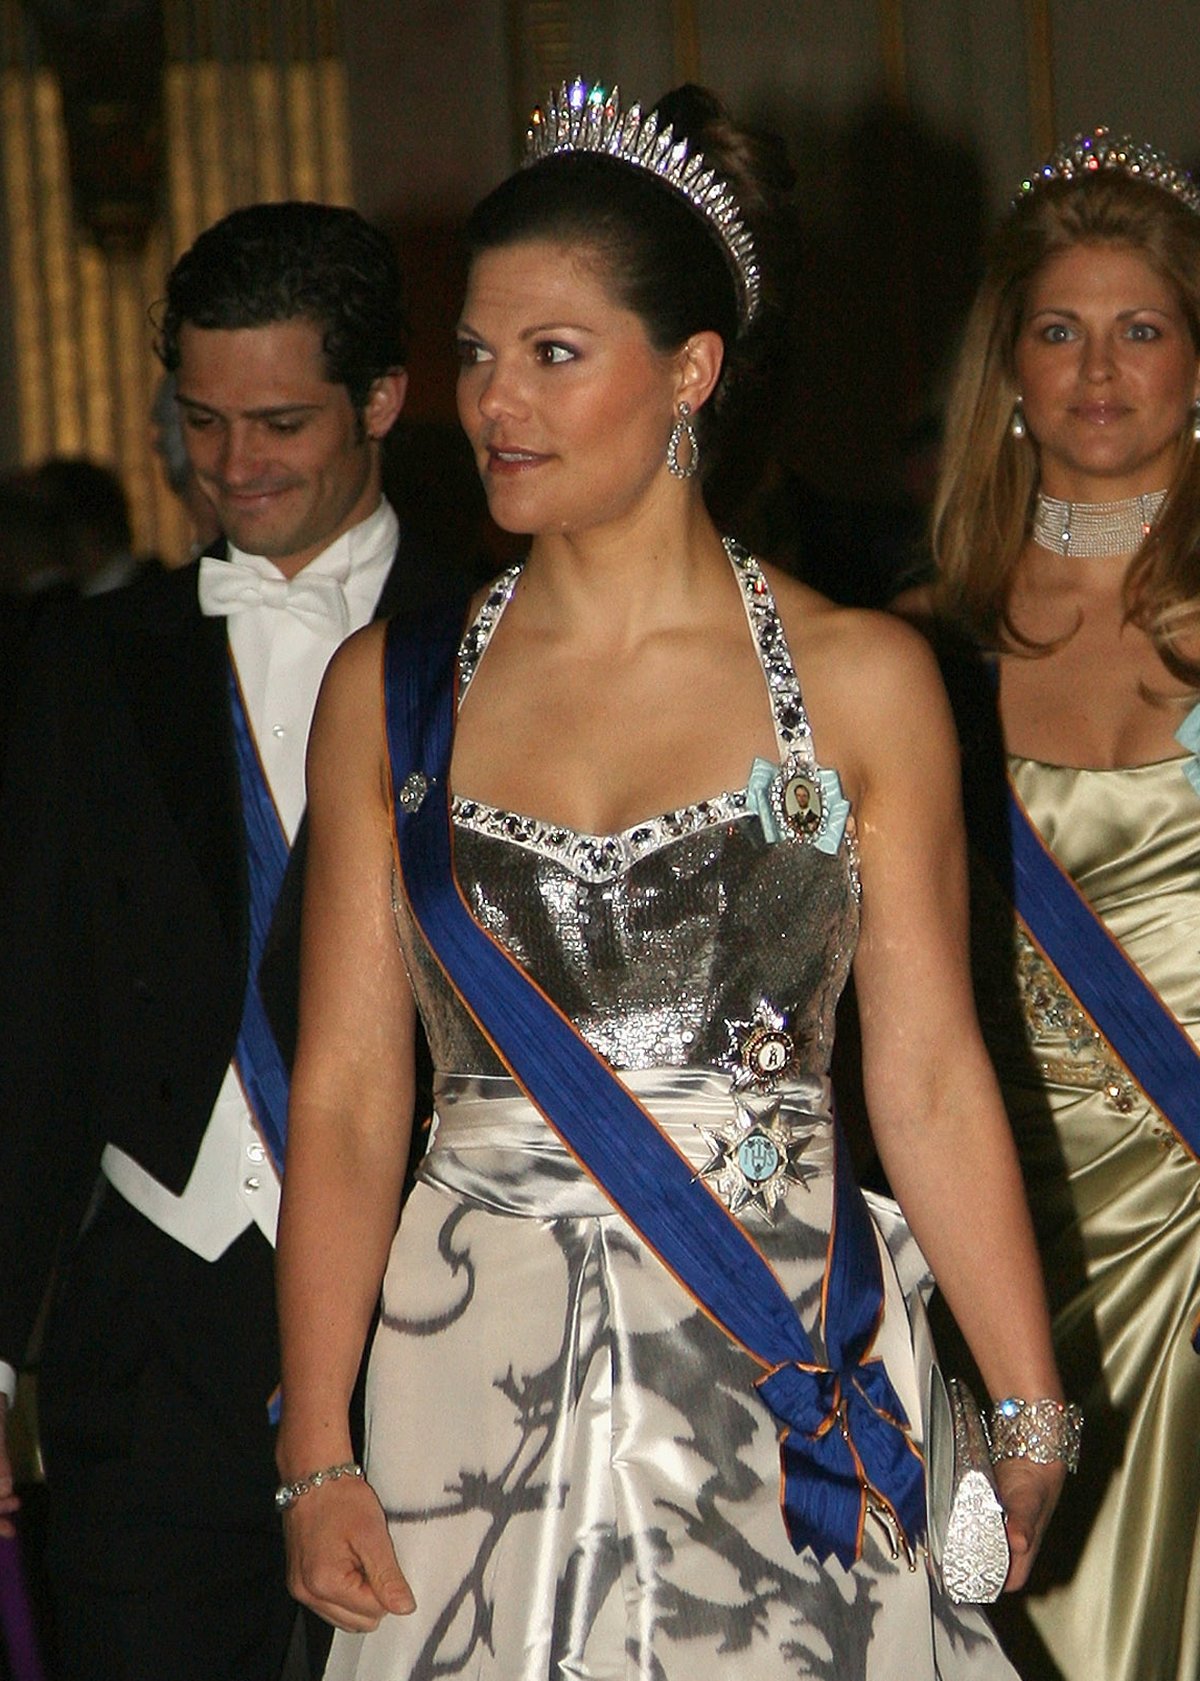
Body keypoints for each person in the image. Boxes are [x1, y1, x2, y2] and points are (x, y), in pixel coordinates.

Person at [276, 82, 1077, 1681]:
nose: (497, 399)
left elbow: (922, 1068)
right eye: (479, 353)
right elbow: (356, 1094)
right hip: (469, 1354)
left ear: (689, 372)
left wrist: (1028, 1397)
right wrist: (316, 1442)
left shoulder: (862, 681)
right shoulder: (392, 688)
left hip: (781, 1359)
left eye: (554, 354)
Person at [0, 199, 447, 1681]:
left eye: (278, 423)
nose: (233, 468)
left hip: (429, 1307)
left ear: (381, 399)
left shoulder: (490, 639)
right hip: (148, 1342)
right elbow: (29, 1022)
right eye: (201, 423)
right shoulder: (83, 663)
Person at [898, 131, 1200, 1681]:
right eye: (1061, 330)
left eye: (1142, 327)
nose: (1100, 369)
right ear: (1005, 368)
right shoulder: (907, 654)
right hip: (997, 1242)